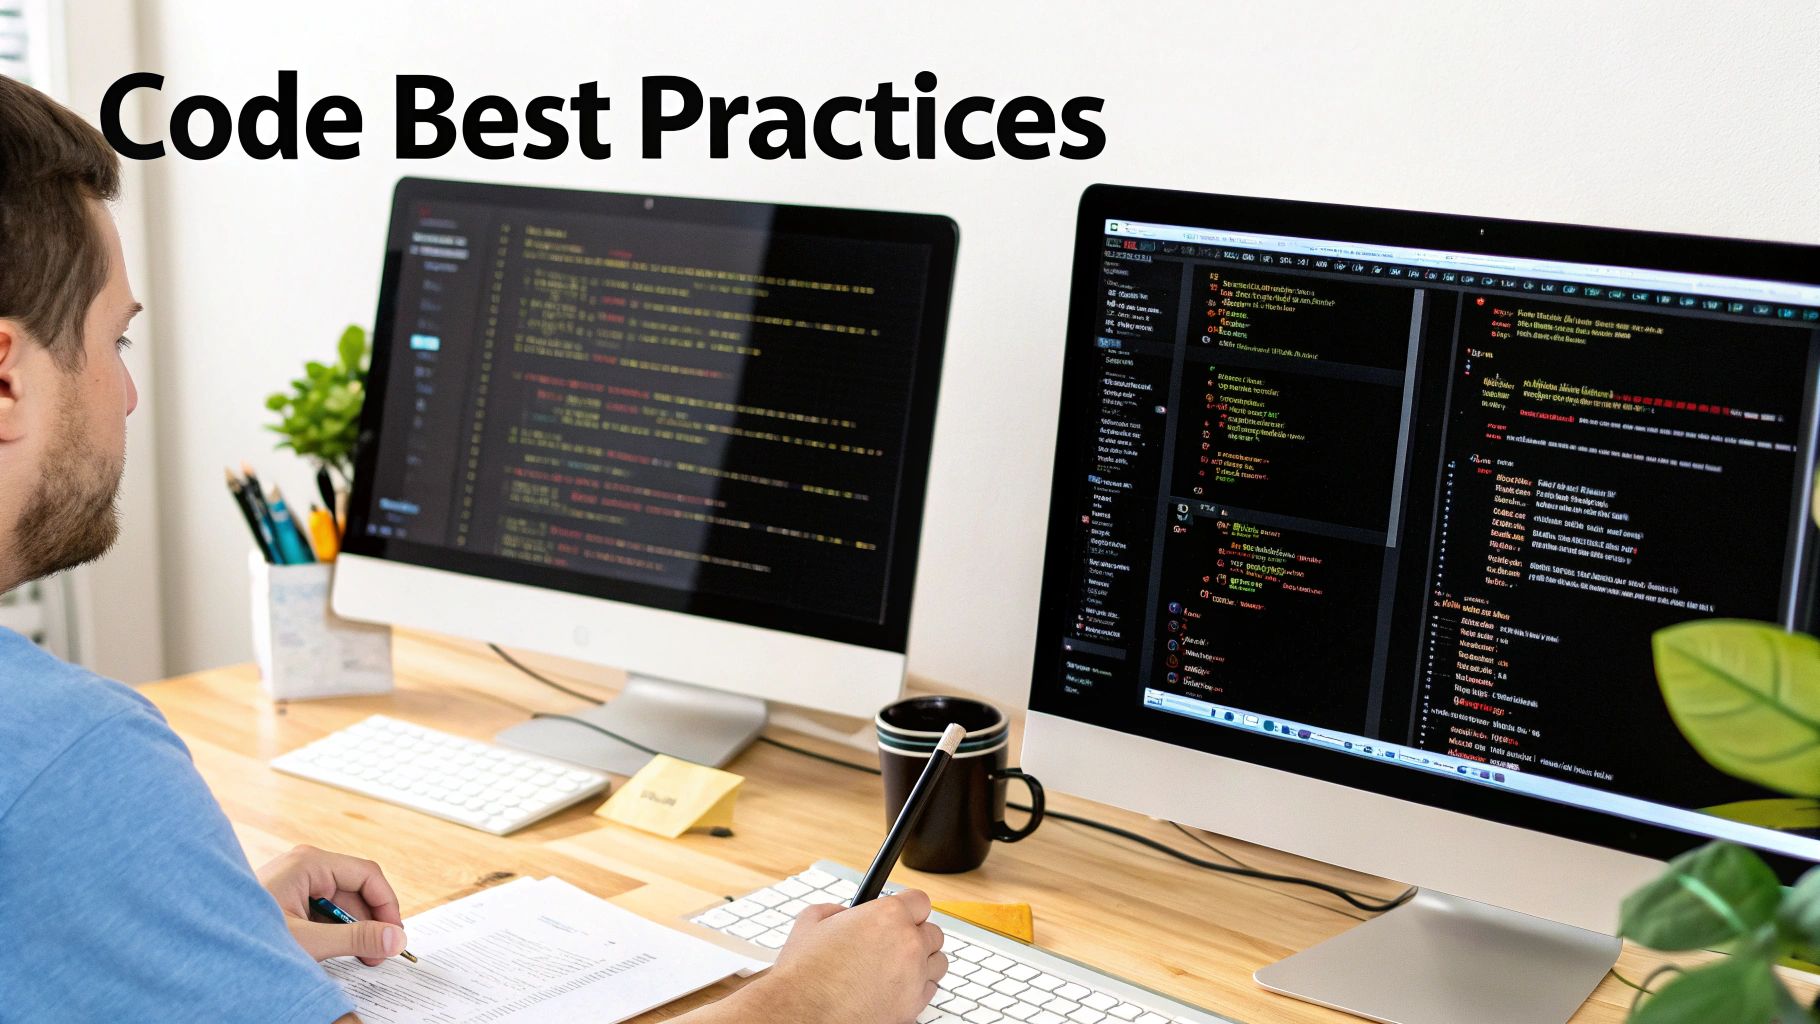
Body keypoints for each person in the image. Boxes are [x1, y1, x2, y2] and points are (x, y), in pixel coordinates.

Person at [0, 74, 946, 1024]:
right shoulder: (74, 763)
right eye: (115, 343)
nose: (128, 396)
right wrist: (811, 1000)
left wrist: (201, 922)